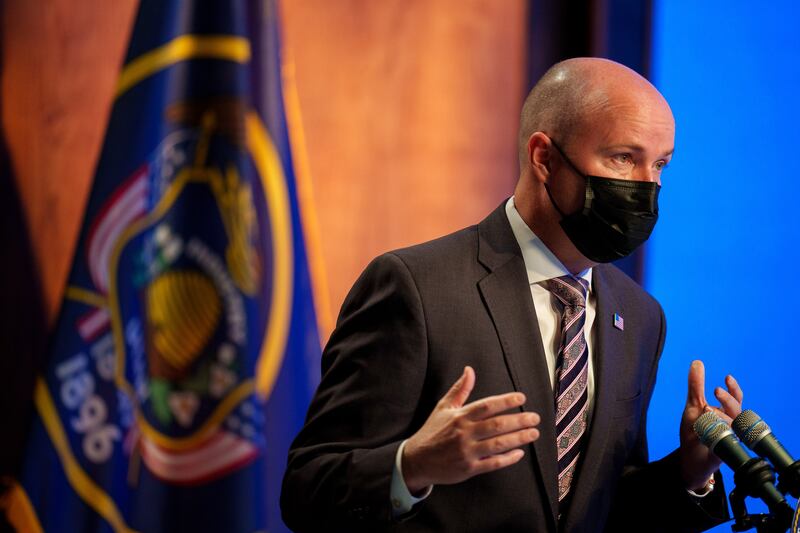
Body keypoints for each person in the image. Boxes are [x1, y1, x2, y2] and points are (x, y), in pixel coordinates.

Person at [281, 58, 741, 532]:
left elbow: (603, 508)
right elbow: (306, 490)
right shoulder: (416, 286)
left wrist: (690, 471)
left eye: (660, 163)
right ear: (544, 157)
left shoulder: (640, 315)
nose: (648, 186)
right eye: (623, 157)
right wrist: (411, 466)